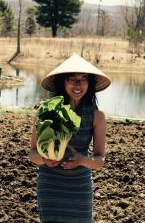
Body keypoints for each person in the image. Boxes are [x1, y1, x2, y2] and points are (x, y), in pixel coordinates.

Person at [29, 53, 111, 223]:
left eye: (83, 79)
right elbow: (32, 154)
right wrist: (45, 159)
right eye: (72, 79)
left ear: (90, 83)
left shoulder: (97, 115)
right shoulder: (46, 111)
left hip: (80, 186)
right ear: (62, 82)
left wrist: (81, 160)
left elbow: (99, 160)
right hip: (50, 185)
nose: (78, 84)